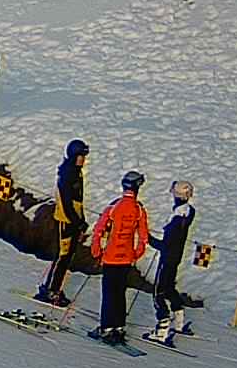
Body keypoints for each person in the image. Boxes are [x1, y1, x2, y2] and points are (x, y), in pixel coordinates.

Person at [88, 171, 154, 345]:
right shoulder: (139, 209)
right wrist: (136, 253)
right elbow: (143, 236)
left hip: (110, 257)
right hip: (126, 258)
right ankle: (119, 327)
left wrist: (96, 251)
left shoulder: (113, 207)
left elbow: (99, 230)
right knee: (120, 292)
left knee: (109, 293)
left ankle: (107, 327)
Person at [35, 139, 91, 306]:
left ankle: (54, 287)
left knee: (67, 257)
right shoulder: (67, 173)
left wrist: (82, 220)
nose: (83, 159)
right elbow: (66, 202)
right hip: (66, 220)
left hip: (73, 219)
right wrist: (76, 221)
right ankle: (51, 290)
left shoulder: (76, 172)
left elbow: (77, 202)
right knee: (63, 256)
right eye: (80, 156)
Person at [149, 180, 201, 343]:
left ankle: (162, 328)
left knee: (158, 292)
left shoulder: (177, 218)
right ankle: (179, 321)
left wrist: (148, 239)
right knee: (169, 287)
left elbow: (166, 244)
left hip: (168, 256)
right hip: (177, 255)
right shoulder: (189, 212)